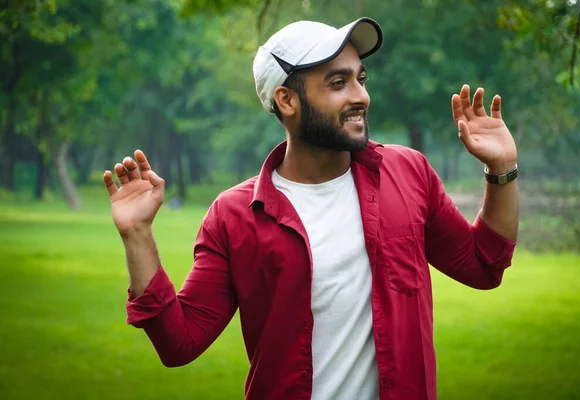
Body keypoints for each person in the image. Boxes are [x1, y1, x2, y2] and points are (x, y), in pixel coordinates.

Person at [103, 17, 518, 400]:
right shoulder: (234, 215)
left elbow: (483, 266)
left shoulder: (408, 173)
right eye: (338, 83)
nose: (361, 97)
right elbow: (180, 343)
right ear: (286, 100)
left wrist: (500, 169)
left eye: (361, 79)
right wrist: (137, 235)